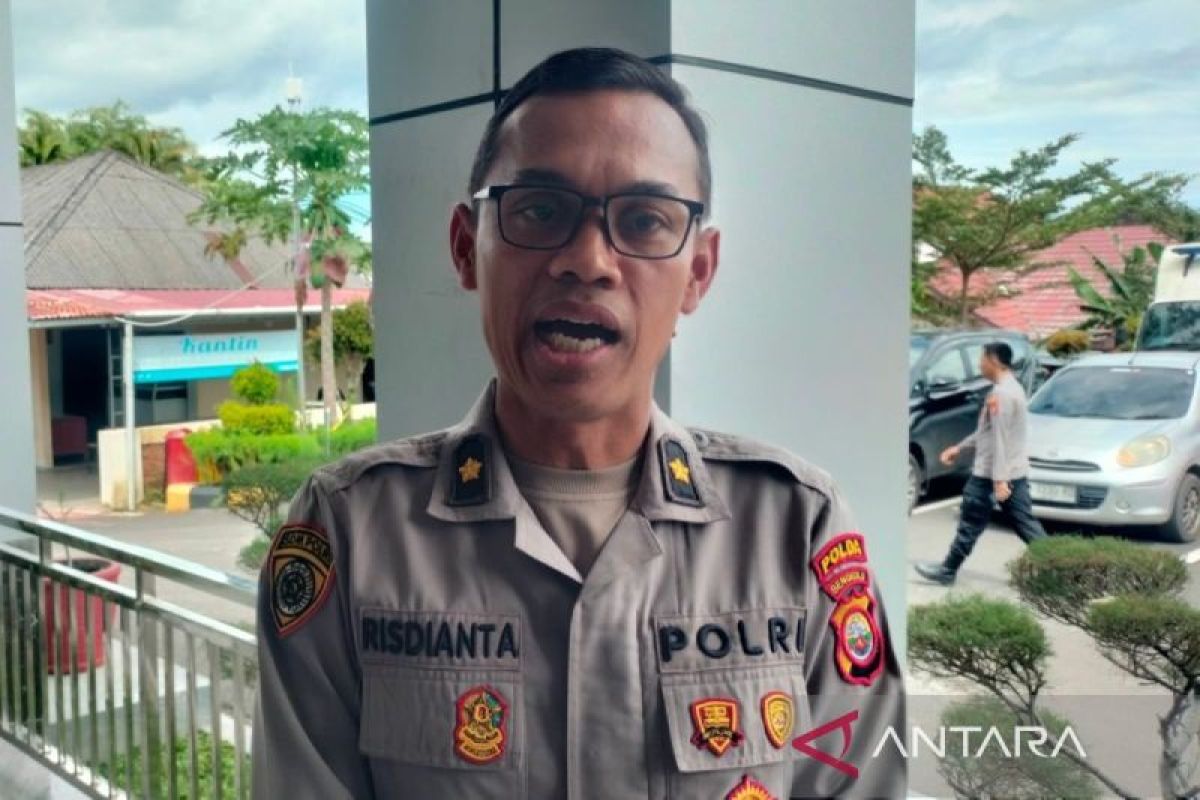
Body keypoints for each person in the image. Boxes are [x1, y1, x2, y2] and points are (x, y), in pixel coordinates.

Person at [253, 47, 905, 799]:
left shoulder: (795, 528)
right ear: (467, 248)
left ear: (697, 272)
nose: (588, 260)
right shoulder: (349, 532)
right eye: (540, 210)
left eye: (646, 220)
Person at [915, 341, 1047, 586]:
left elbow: (1000, 440)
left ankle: (947, 570)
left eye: (982, 359)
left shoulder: (1002, 395)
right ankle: (1063, 567)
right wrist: (960, 447)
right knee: (1025, 524)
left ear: (993, 361)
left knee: (971, 523)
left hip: (991, 474)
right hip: (1011, 472)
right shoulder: (1010, 388)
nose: (979, 365)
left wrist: (999, 480)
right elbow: (988, 432)